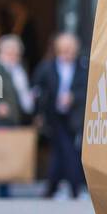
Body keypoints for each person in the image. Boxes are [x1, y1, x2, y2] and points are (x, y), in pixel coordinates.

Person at [0, 35, 35, 198]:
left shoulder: (16, 69)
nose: (15, 56)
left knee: (7, 152)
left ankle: (6, 185)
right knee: (2, 154)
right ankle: (3, 188)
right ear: (3, 52)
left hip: (11, 118)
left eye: (17, 53)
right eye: (12, 53)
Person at [33, 32, 88, 199]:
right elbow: (36, 89)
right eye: (64, 50)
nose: (67, 53)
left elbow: (87, 90)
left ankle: (51, 189)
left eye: (70, 50)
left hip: (73, 117)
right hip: (53, 116)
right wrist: (39, 112)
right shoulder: (46, 67)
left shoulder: (83, 67)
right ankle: (75, 188)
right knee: (68, 150)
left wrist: (72, 97)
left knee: (60, 152)